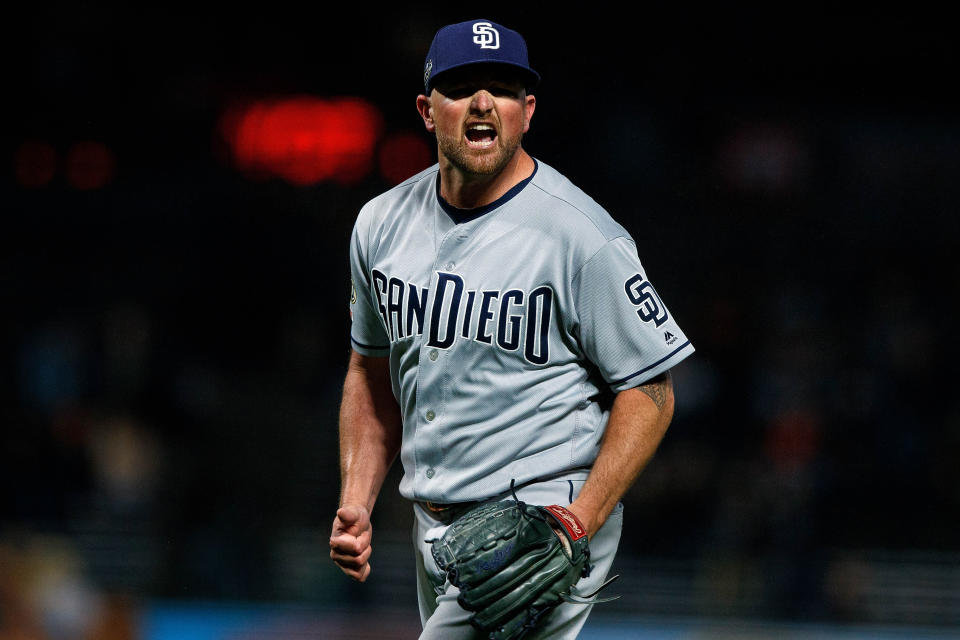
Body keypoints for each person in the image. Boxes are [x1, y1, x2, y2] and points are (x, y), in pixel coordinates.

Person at [330, 18, 694, 639]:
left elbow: (652, 392)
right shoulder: (380, 224)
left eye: (500, 88)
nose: (480, 102)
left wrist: (578, 522)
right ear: (426, 109)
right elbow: (371, 371)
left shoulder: (581, 236)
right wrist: (358, 497)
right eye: (460, 86)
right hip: (434, 525)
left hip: (542, 522)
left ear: (526, 111)